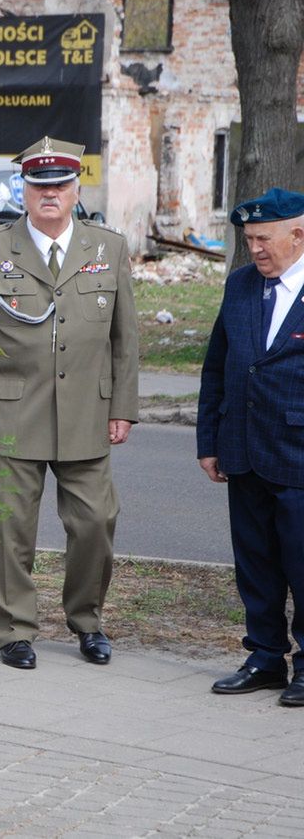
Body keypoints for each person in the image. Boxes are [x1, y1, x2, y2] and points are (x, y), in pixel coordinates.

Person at [0, 136, 139, 670]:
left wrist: (122, 406)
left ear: (76, 187)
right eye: (40, 186)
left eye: (60, 185)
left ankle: (87, 620)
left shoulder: (108, 248)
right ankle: (13, 629)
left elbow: (125, 338)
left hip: (87, 410)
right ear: (25, 190)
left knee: (96, 522)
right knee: (8, 528)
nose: (50, 194)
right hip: (12, 409)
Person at [198, 187, 304, 706]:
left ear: (297, 235)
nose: (255, 249)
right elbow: (217, 365)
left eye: (263, 239)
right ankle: (264, 657)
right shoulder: (241, 285)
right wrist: (209, 441)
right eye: (249, 239)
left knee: (303, 564)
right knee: (255, 563)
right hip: (243, 448)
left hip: (299, 453)